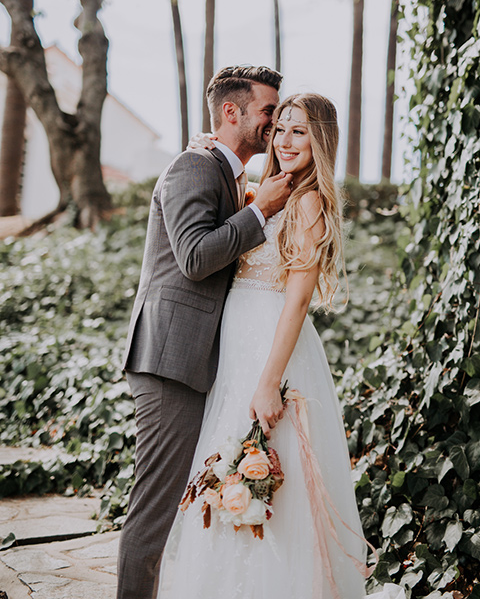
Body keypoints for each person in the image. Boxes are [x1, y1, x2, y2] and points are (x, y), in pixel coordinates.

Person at [157, 94, 405, 599]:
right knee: (226, 469)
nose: (287, 141)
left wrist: (270, 382)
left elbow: (296, 303)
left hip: (272, 348)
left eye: (300, 132)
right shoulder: (264, 191)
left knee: (273, 475)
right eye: (282, 129)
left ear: (320, 143)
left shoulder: (309, 202)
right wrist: (207, 150)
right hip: (233, 347)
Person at [116, 65, 293, 599]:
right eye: (268, 111)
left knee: (175, 503)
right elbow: (194, 258)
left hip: (195, 361)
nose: (275, 122)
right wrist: (259, 209)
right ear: (230, 113)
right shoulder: (193, 167)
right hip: (170, 359)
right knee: (155, 508)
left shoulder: (221, 170)